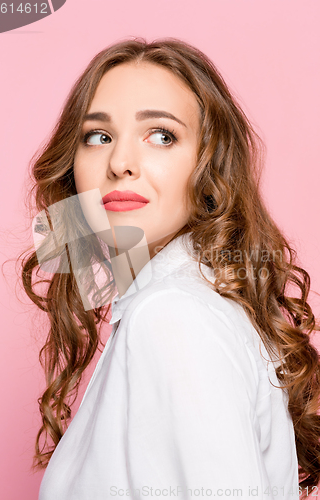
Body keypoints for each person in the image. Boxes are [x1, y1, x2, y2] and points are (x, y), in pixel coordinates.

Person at [19, 37, 320, 500]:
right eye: (98, 136)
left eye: (162, 135)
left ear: (209, 165)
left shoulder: (170, 316)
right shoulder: (168, 301)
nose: (120, 163)